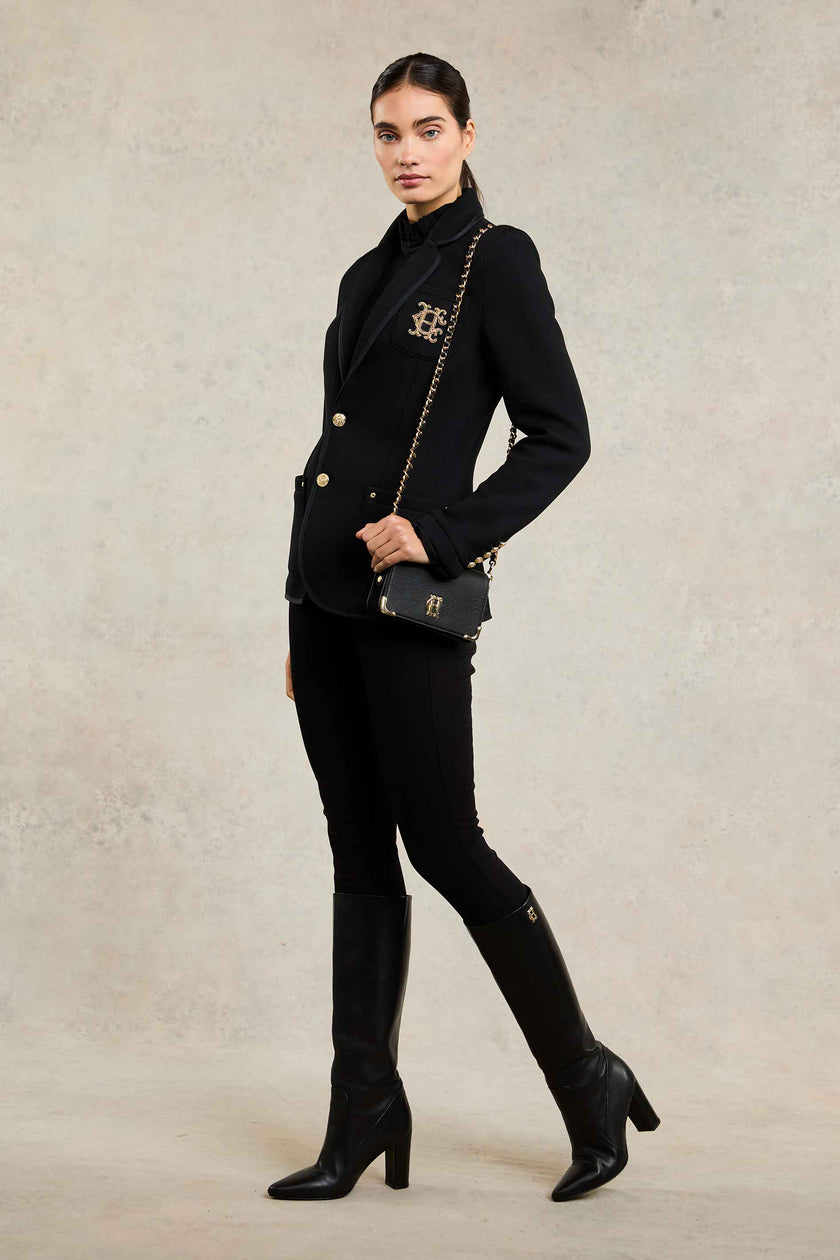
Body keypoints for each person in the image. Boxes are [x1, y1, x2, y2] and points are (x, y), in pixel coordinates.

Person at [267, 52, 660, 1204]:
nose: (407, 152)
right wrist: (298, 607)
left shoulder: (496, 259)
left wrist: (441, 533)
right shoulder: (365, 272)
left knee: (446, 845)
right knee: (357, 854)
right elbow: (340, 445)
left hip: (408, 608)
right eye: (388, 132)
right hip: (323, 605)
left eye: (428, 129)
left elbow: (559, 435)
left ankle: (586, 1076)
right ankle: (363, 1109)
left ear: (468, 137)